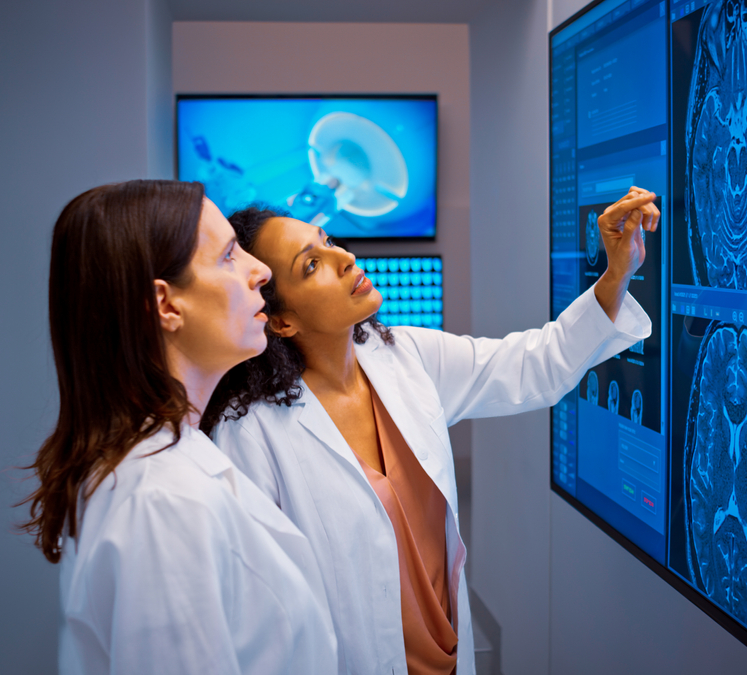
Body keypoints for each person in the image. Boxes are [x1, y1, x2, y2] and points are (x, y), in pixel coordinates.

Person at [203, 187, 659, 675]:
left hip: (445, 658)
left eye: (329, 240)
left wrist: (617, 274)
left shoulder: (406, 356)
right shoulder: (248, 432)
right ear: (282, 319)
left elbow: (535, 366)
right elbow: (258, 613)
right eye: (310, 265)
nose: (343, 258)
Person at [19, 180, 339, 674]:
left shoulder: (167, 464)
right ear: (166, 306)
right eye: (230, 256)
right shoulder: (162, 501)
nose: (262, 271)